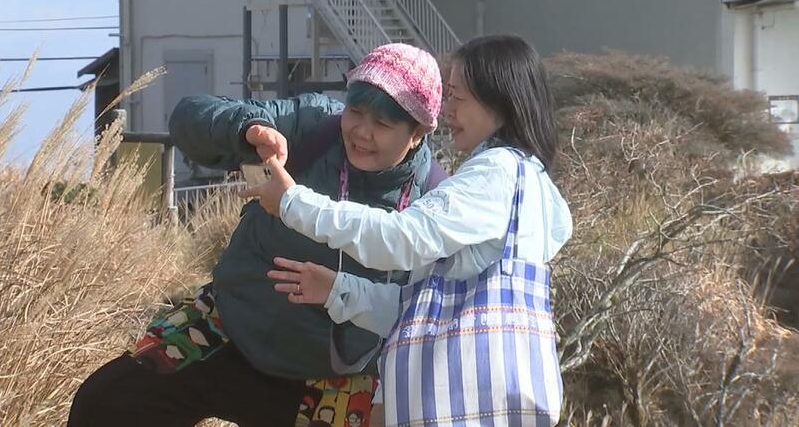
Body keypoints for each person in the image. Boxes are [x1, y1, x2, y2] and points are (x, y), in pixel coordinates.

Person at [67, 43, 444, 427]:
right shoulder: (313, 124)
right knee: (107, 403)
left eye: (382, 124)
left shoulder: (435, 201)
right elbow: (188, 117)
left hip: (333, 376)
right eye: (356, 111)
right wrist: (246, 130)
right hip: (229, 326)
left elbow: (424, 311)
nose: (361, 132)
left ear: (417, 133)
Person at [246, 35, 573, 426]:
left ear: (497, 99)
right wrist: (340, 290)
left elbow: (401, 240)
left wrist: (293, 203)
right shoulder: (528, 182)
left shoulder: (495, 172)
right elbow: (435, 311)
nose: (447, 110)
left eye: (457, 96)